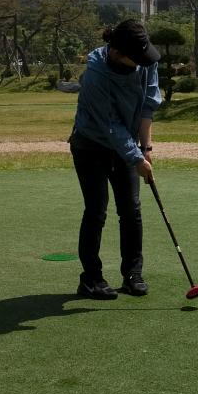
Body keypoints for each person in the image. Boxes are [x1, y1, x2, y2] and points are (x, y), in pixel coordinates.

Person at [68, 20, 162, 300]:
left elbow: (148, 103)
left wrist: (145, 148)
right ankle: (91, 279)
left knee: (131, 209)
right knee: (96, 210)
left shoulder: (145, 59)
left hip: (127, 144)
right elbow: (110, 124)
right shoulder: (96, 76)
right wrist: (135, 157)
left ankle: (133, 274)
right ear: (117, 52)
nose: (143, 62)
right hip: (90, 144)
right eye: (136, 57)